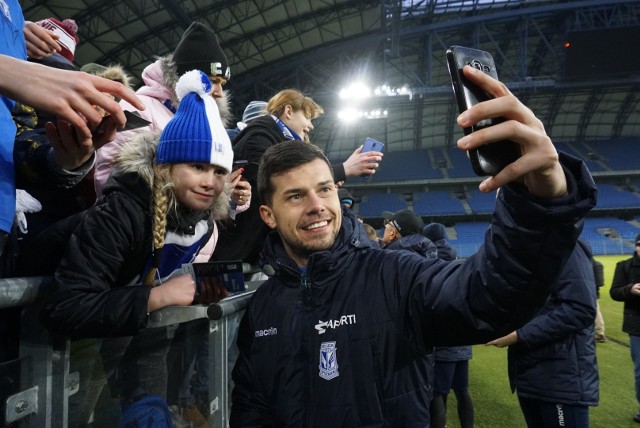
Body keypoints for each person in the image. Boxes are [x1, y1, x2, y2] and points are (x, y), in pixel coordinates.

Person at [229, 63, 597, 427]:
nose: (316, 206)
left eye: (324, 189)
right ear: (268, 215)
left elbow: (490, 296)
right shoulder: (262, 309)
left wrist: (540, 203)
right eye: (295, 196)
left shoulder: (393, 276)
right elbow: (252, 406)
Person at [21, 70, 242, 426]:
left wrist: (191, 293)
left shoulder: (199, 223)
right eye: (197, 166)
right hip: (36, 339)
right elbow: (63, 306)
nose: (210, 182)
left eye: (219, 171)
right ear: (165, 166)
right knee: (67, 412)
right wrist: (161, 296)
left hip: (109, 324)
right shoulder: (122, 211)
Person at [211, 88, 383, 272]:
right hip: (233, 252)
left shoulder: (276, 139)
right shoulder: (259, 135)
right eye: (308, 117)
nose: (311, 125)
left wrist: (329, 178)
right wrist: (343, 169)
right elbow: (277, 178)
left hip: (250, 251)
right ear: (289, 111)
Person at [94, 20, 234, 199]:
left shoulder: (209, 123)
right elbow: (108, 175)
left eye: (222, 84)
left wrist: (229, 196)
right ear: (186, 77)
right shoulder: (139, 107)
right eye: (213, 81)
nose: (220, 93)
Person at [486, 238, 599, 428]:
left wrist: (519, 334)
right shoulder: (530, 248)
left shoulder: (565, 244)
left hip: (560, 377)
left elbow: (580, 308)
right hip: (529, 372)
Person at [424, 222, 474, 428]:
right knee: (462, 391)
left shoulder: (431, 265)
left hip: (443, 343)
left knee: (437, 395)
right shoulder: (460, 265)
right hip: (462, 342)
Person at [610, 233, 640, 423]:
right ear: (636, 246)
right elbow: (615, 292)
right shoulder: (624, 266)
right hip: (637, 325)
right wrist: (630, 289)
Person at [592, 256, 606, 342]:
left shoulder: (590, 264)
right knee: (596, 310)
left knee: (595, 311)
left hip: (590, 290)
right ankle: (600, 331)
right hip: (595, 290)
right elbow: (600, 282)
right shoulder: (597, 264)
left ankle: (600, 332)